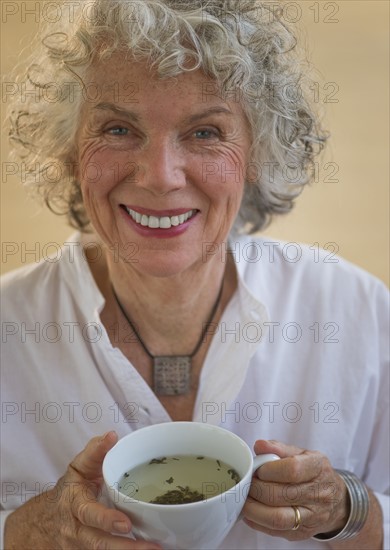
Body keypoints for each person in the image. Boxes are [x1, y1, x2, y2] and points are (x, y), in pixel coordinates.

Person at [1, 1, 388, 549]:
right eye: (117, 128)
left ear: (256, 151)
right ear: (68, 150)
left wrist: (350, 509)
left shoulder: (356, 310)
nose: (160, 176)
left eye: (205, 132)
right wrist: (23, 532)